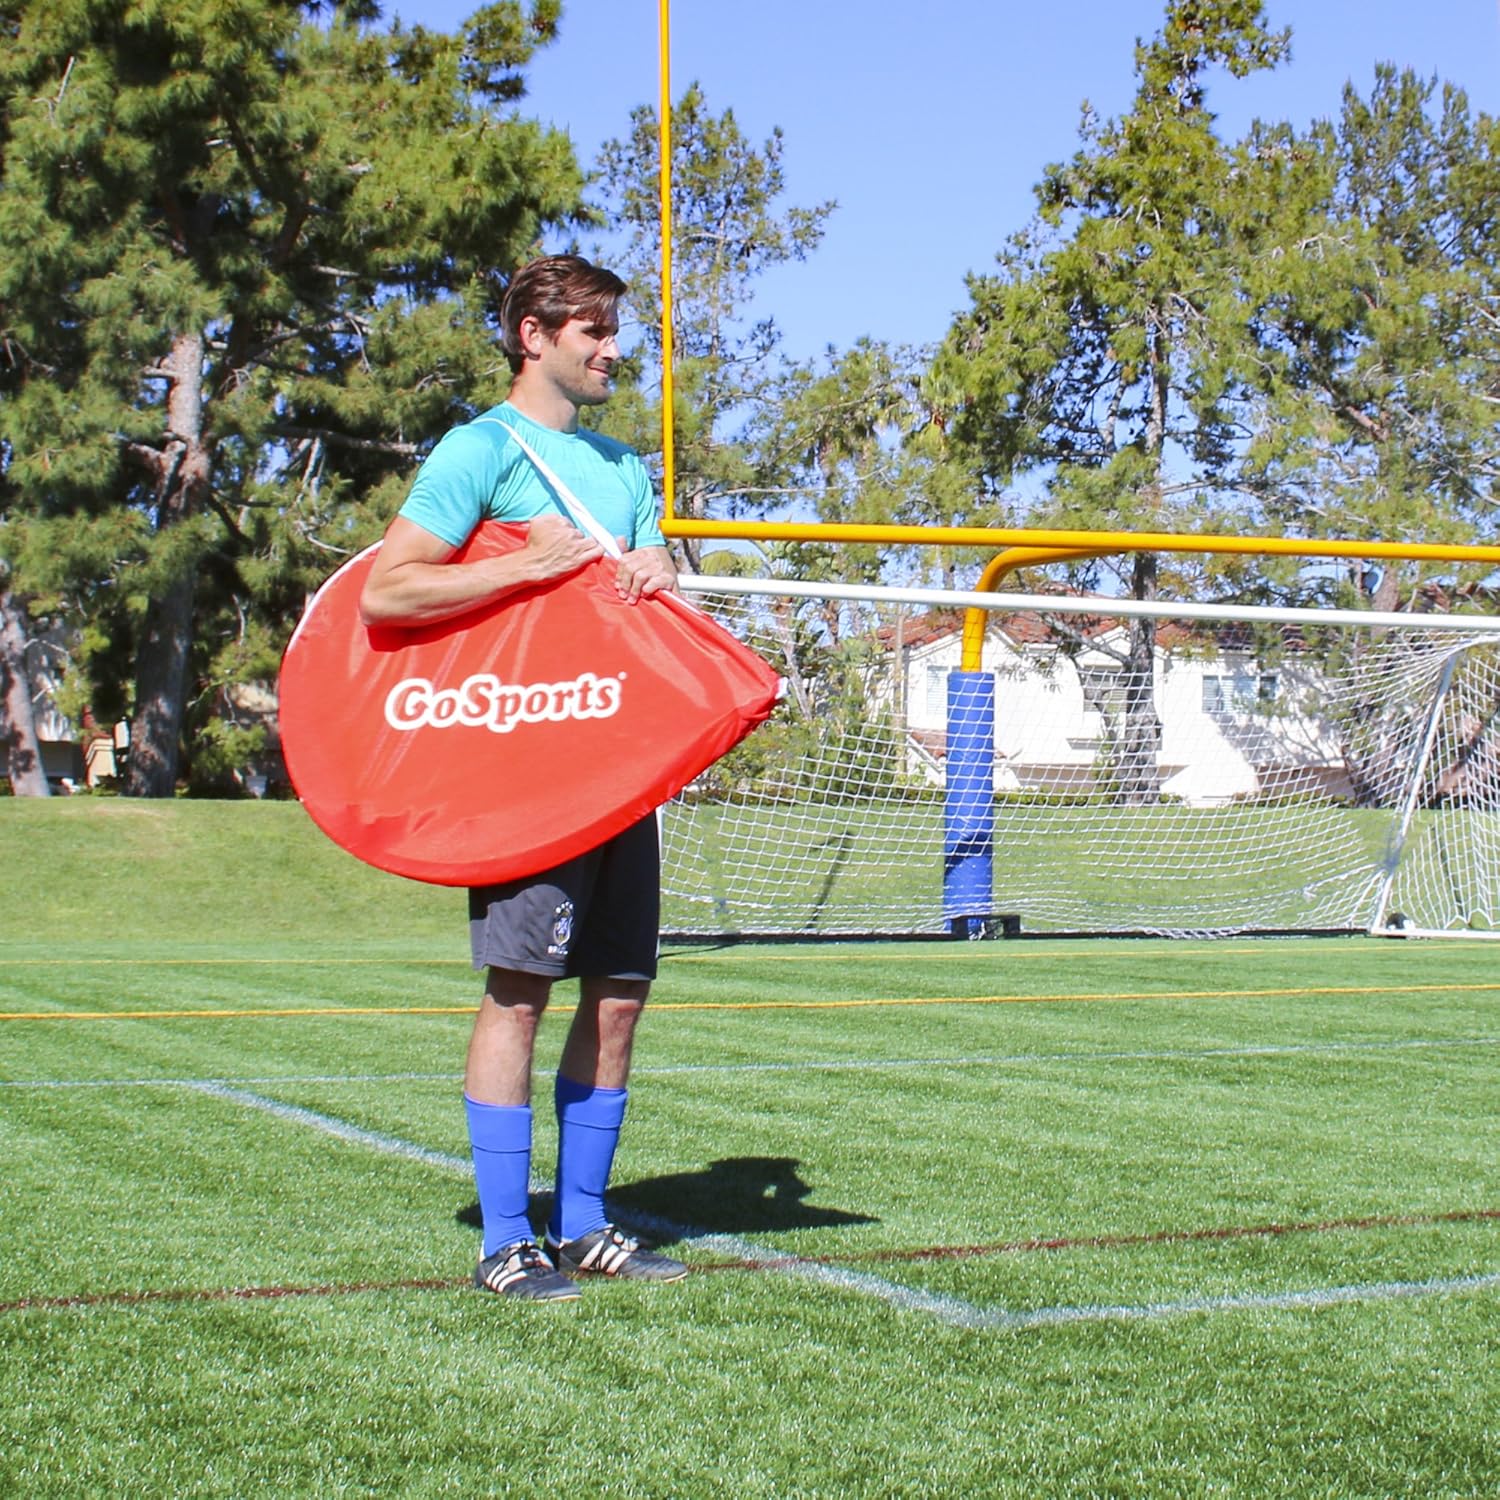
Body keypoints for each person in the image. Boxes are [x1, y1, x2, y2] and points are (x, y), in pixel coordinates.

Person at [360, 255, 685, 1302]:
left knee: (622, 996)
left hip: (619, 770)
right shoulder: (479, 451)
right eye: (593, 330)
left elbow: (653, 596)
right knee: (519, 993)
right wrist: (523, 565)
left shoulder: (626, 471)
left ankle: (586, 1224)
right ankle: (507, 1238)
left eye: (614, 329)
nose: (613, 349)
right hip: (522, 774)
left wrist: (659, 570)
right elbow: (387, 593)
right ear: (532, 335)